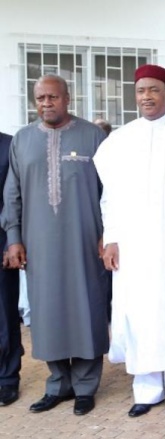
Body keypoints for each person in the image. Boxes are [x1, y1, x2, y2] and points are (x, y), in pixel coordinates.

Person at [93, 64, 165, 421]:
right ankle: (146, 389)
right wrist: (111, 238)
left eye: (154, 90)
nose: (147, 96)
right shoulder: (121, 139)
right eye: (141, 90)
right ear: (135, 94)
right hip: (135, 244)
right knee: (139, 312)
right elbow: (109, 195)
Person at [1, 74, 109, 416]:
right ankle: (58, 383)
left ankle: (86, 386)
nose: (46, 103)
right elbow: (11, 194)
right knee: (47, 313)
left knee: (87, 308)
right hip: (38, 243)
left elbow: (111, 191)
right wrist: (14, 238)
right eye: (40, 98)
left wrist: (109, 233)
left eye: (53, 97)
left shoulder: (93, 137)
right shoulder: (22, 139)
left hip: (85, 240)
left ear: (68, 98)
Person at [0, 131, 21, 408]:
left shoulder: (9, 145)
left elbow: (15, 196)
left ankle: (6, 378)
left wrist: (11, 241)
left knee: (4, 315)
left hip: (2, 240)